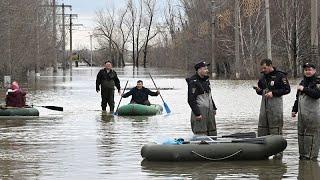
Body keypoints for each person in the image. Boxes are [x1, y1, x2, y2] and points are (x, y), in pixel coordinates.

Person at [254, 59, 290, 159]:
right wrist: (258, 90)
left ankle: (278, 156)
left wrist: (273, 93)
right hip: (264, 106)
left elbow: (287, 90)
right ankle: (262, 154)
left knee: (275, 130)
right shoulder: (263, 77)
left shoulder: (280, 76)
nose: (263, 70)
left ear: (270, 66)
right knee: (262, 129)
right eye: (262, 68)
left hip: (275, 106)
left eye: (265, 68)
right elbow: (261, 90)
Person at [292, 63, 320, 161]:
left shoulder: (318, 81)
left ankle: (312, 158)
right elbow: (297, 98)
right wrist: (294, 110)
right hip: (302, 115)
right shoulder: (302, 82)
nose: (307, 71)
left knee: (311, 136)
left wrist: (304, 89)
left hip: (313, 115)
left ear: (314, 71)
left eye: (310, 69)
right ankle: (303, 158)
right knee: (301, 135)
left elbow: (317, 94)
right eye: (306, 70)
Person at [186, 61, 217, 136]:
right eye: (205, 69)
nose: (207, 70)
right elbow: (191, 100)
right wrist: (197, 114)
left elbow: (209, 95)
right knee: (201, 133)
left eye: (207, 69)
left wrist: (214, 108)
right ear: (199, 70)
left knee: (212, 132)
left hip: (209, 111)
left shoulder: (206, 80)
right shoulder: (193, 81)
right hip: (200, 112)